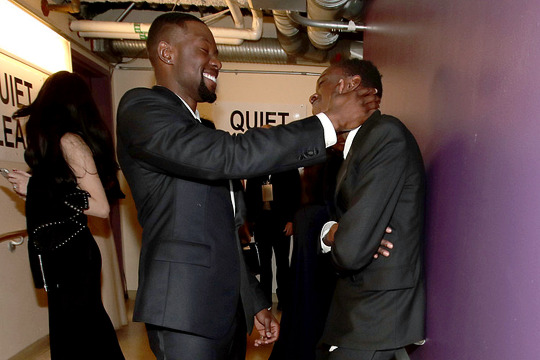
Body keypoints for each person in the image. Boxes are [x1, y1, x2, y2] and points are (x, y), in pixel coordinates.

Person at [115, 11, 379, 360]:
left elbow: (223, 232)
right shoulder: (141, 108)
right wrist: (326, 124)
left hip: (226, 314)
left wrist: (254, 301)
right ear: (167, 53)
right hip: (183, 312)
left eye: (216, 53)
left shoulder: (204, 132)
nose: (217, 62)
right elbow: (230, 155)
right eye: (204, 50)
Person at [7, 71, 125, 360]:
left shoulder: (71, 142)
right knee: (75, 338)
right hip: (61, 255)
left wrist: (36, 187)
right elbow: (64, 193)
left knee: (86, 336)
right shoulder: (58, 143)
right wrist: (34, 189)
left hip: (74, 256)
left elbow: (99, 206)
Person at [315, 59, 426, 360]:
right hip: (360, 309)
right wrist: (337, 232)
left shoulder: (384, 134)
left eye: (321, 83)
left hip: (376, 314)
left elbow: (351, 250)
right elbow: (347, 233)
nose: (313, 97)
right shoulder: (358, 146)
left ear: (348, 85)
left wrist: (346, 235)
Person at [245, 167, 302, 309]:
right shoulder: (256, 167)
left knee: (282, 262)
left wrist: (291, 221)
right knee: (264, 263)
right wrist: (250, 222)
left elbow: (296, 194)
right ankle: (265, 301)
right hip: (261, 221)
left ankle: (284, 299)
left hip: (282, 221)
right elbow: (249, 195)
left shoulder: (288, 168)